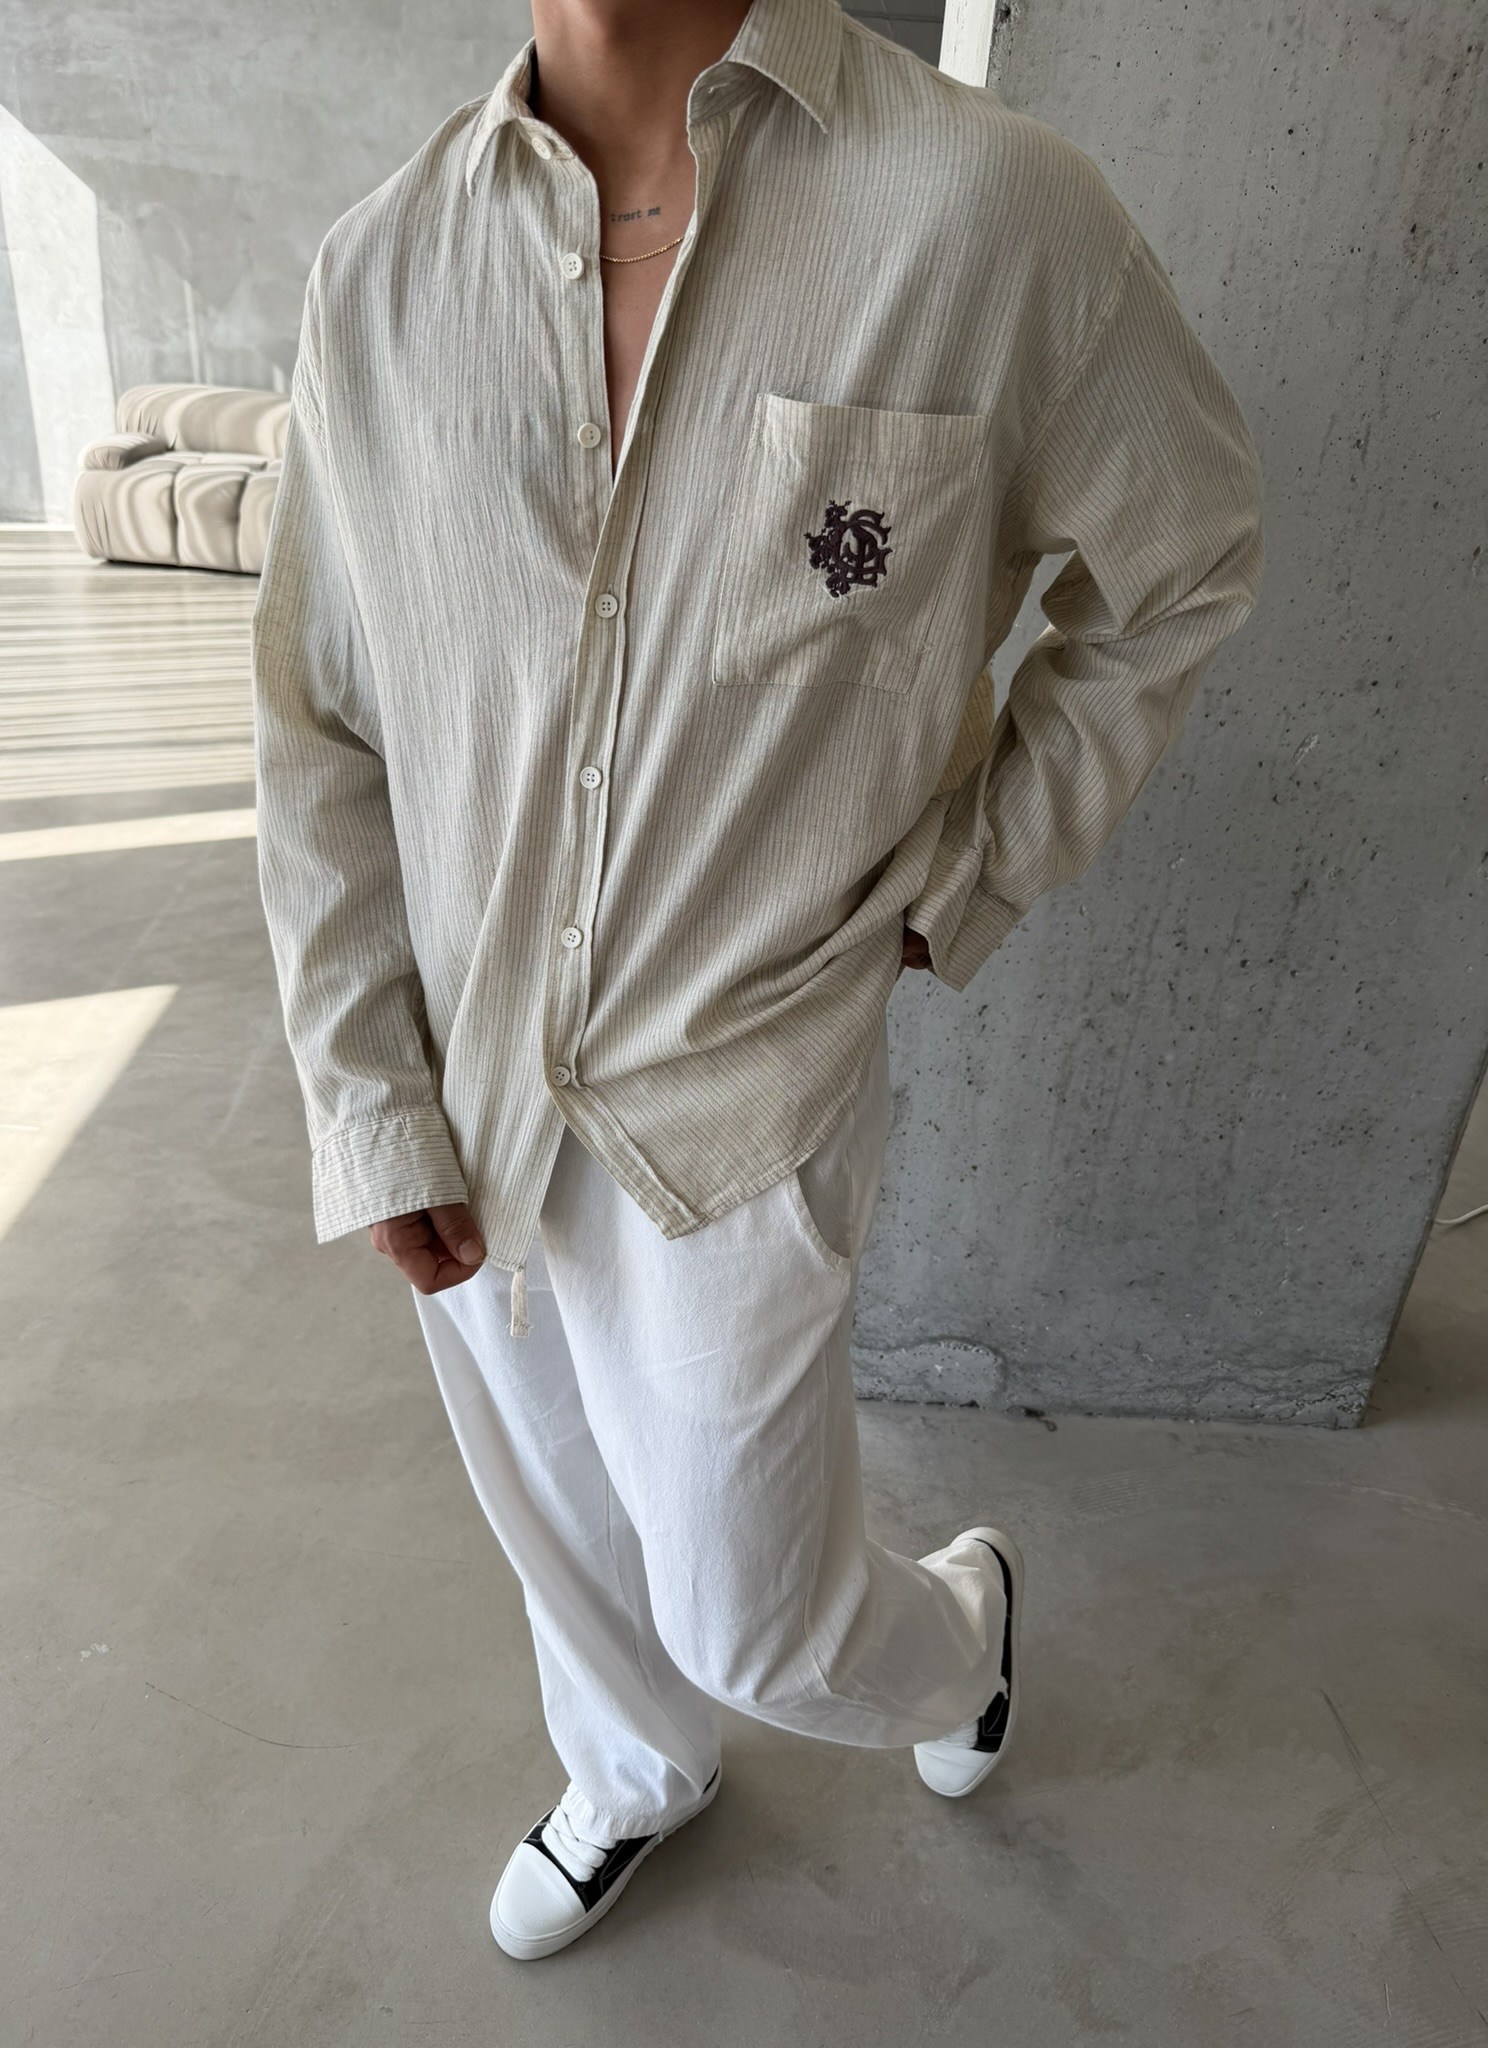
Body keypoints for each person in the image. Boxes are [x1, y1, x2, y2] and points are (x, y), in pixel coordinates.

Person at [250, 0, 1264, 1961]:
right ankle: (636, 1766)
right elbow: (320, 725)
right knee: (556, 1511)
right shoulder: (378, 274)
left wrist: (980, 865)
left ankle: (957, 1632)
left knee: (753, 1614)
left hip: (744, 1087)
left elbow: (1186, 558)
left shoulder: (990, 212)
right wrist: (365, 1092)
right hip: (464, 1072)